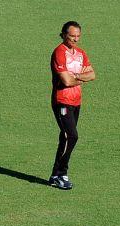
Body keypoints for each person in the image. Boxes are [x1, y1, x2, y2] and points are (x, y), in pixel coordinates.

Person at [48, 20, 95, 190]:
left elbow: (92, 74)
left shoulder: (81, 53)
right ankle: (61, 173)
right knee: (72, 136)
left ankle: (55, 175)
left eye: (78, 36)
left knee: (66, 137)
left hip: (76, 101)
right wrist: (80, 76)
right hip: (62, 100)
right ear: (63, 35)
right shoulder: (59, 53)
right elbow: (66, 81)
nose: (75, 39)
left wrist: (76, 76)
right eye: (72, 36)